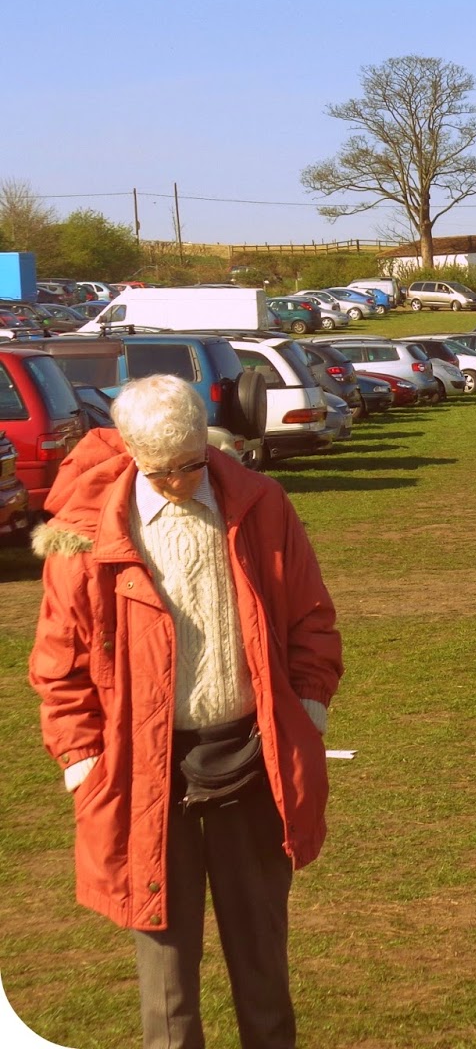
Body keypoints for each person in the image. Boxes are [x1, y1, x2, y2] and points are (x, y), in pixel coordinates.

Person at [28, 374, 342, 1049]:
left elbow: (311, 618)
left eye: (189, 465)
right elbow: (59, 666)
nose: (175, 482)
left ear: (208, 441)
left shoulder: (261, 504)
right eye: (159, 471)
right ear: (131, 452)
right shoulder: (84, 536)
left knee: (263, 963)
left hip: (251, 759)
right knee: (167, 989)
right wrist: (83, 763)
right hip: (142, 774)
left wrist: (306, 710)